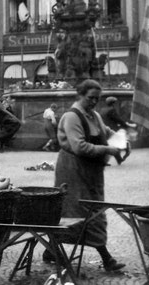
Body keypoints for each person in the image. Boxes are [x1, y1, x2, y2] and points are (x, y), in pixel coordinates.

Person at [46, 79, 128, 271]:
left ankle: (50, 249)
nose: (94, 102)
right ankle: (106, 258)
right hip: (73, 170)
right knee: (82, 211)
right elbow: (79, 146)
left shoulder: (94, 115)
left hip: (91, 172)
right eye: (90, 98)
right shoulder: (71, 117)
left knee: (93, 209)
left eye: (97, 99)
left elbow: (106, 132)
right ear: (80, 95)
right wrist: (109, 150)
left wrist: (122, 140)